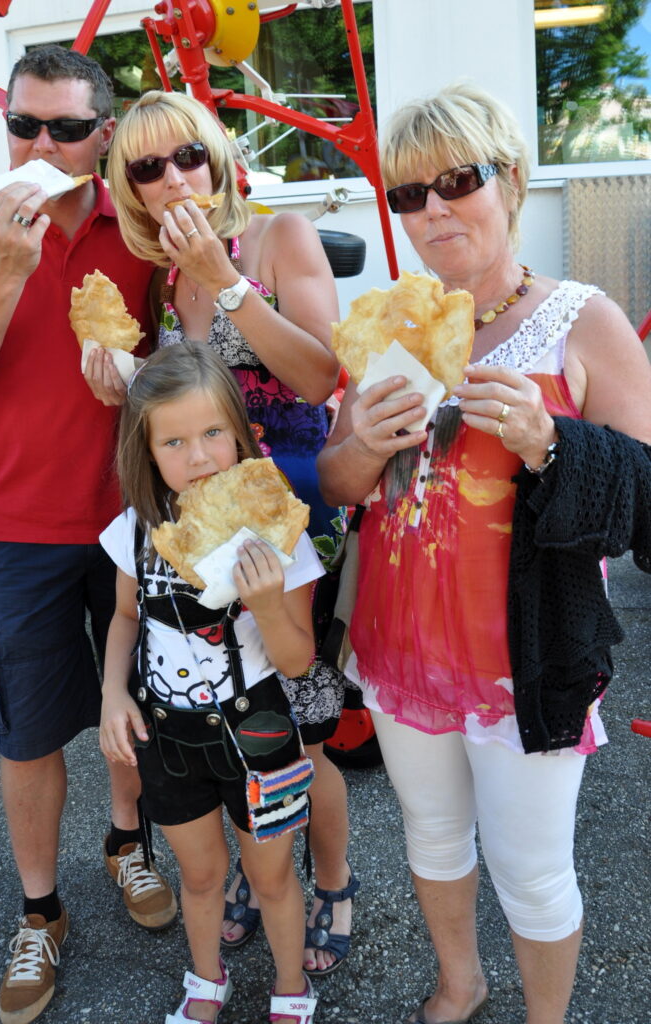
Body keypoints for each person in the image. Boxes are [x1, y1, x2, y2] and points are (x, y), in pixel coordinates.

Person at [317, 82, 651, 1024]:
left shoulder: (582, 321)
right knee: (430, 835)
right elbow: (340, 485)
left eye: (455, 181)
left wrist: (554, 445)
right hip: (398, 645)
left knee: (533, 870)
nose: (431, 210)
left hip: (526, 657)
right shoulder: (385, 321)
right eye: (407, 193)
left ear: (509, 179)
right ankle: (459, 982)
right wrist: (361, 444)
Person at [0, 45, 176, 1024]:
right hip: (21, 525)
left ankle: (127, 843)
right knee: (26, 733)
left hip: (133, 518)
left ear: (103, 135)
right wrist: (7, 271)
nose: (43, 143)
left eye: (67, 128)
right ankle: (41, 911)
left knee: (132, 712)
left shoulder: (144, 228)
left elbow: (193, 360)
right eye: (26, 124)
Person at [101, 88, 359, 976]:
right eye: (148, 167)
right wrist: (124, 388)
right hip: (205, 529)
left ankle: (332, 883)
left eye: (190, 157)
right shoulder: (166, 273)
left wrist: (230, 280)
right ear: (130, 188)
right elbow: (186, 407)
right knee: (234, 705)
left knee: (303, 719)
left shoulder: (278, 238)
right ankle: (265, 864)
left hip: (290, 506)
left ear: (218, 158)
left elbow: (325, 374)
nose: (175, 178)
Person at [99, 341, 321, 1024]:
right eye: (174, 441)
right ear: (146, 449)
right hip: (170, 740)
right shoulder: (139, 529)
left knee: (272, 876)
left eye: (212, 434)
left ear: (239, 434)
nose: (197, 457)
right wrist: (112, 694)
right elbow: (125, 618)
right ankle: (205, 980)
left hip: (262, 736)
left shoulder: (279, 532)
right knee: (199, 876)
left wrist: (266, 600)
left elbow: (297, 663)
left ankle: (291, 987)